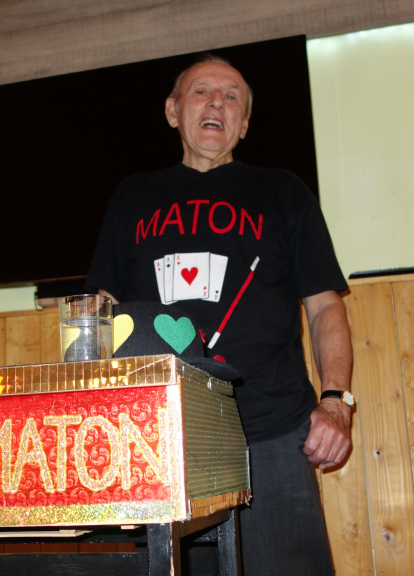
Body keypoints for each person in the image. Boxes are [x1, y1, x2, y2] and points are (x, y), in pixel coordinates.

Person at [85, 53, 354, 575]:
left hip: (273, 432)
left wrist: (336, 402)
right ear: (173, 111)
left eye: (232, 97)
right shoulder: (132, 196)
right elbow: (100, 313)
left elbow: (325, 307)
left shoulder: (284, 191)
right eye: (202, 91)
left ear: (244, 124)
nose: (216, 103)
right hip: (158, 441)